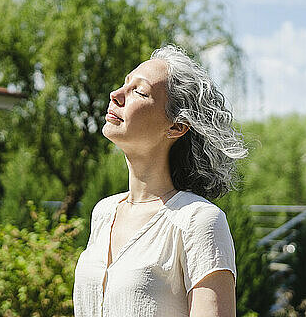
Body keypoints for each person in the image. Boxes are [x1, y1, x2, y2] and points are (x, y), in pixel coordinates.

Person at [73, 44, 248, 317]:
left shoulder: (198, 220)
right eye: (124, 84)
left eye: (139, 92)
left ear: (176, 127)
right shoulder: (104, 213)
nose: (116, 95)